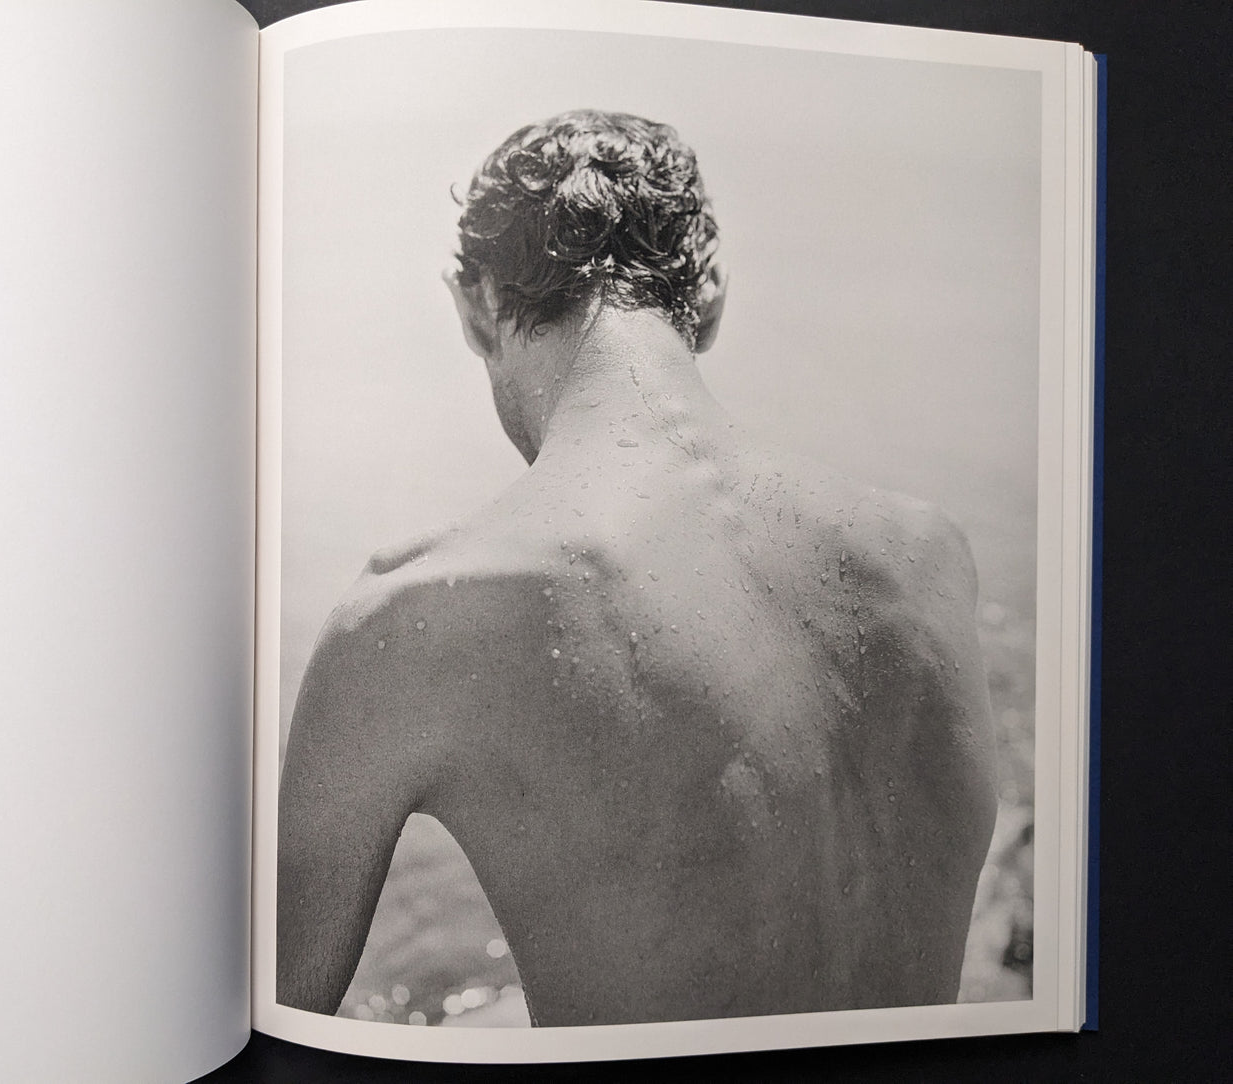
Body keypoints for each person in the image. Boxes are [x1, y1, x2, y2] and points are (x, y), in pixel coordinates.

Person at [276, 110, 996, 1026]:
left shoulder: (415, 616)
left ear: (475, 310)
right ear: (712, 298)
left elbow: (268, 1028)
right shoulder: (927, 555)